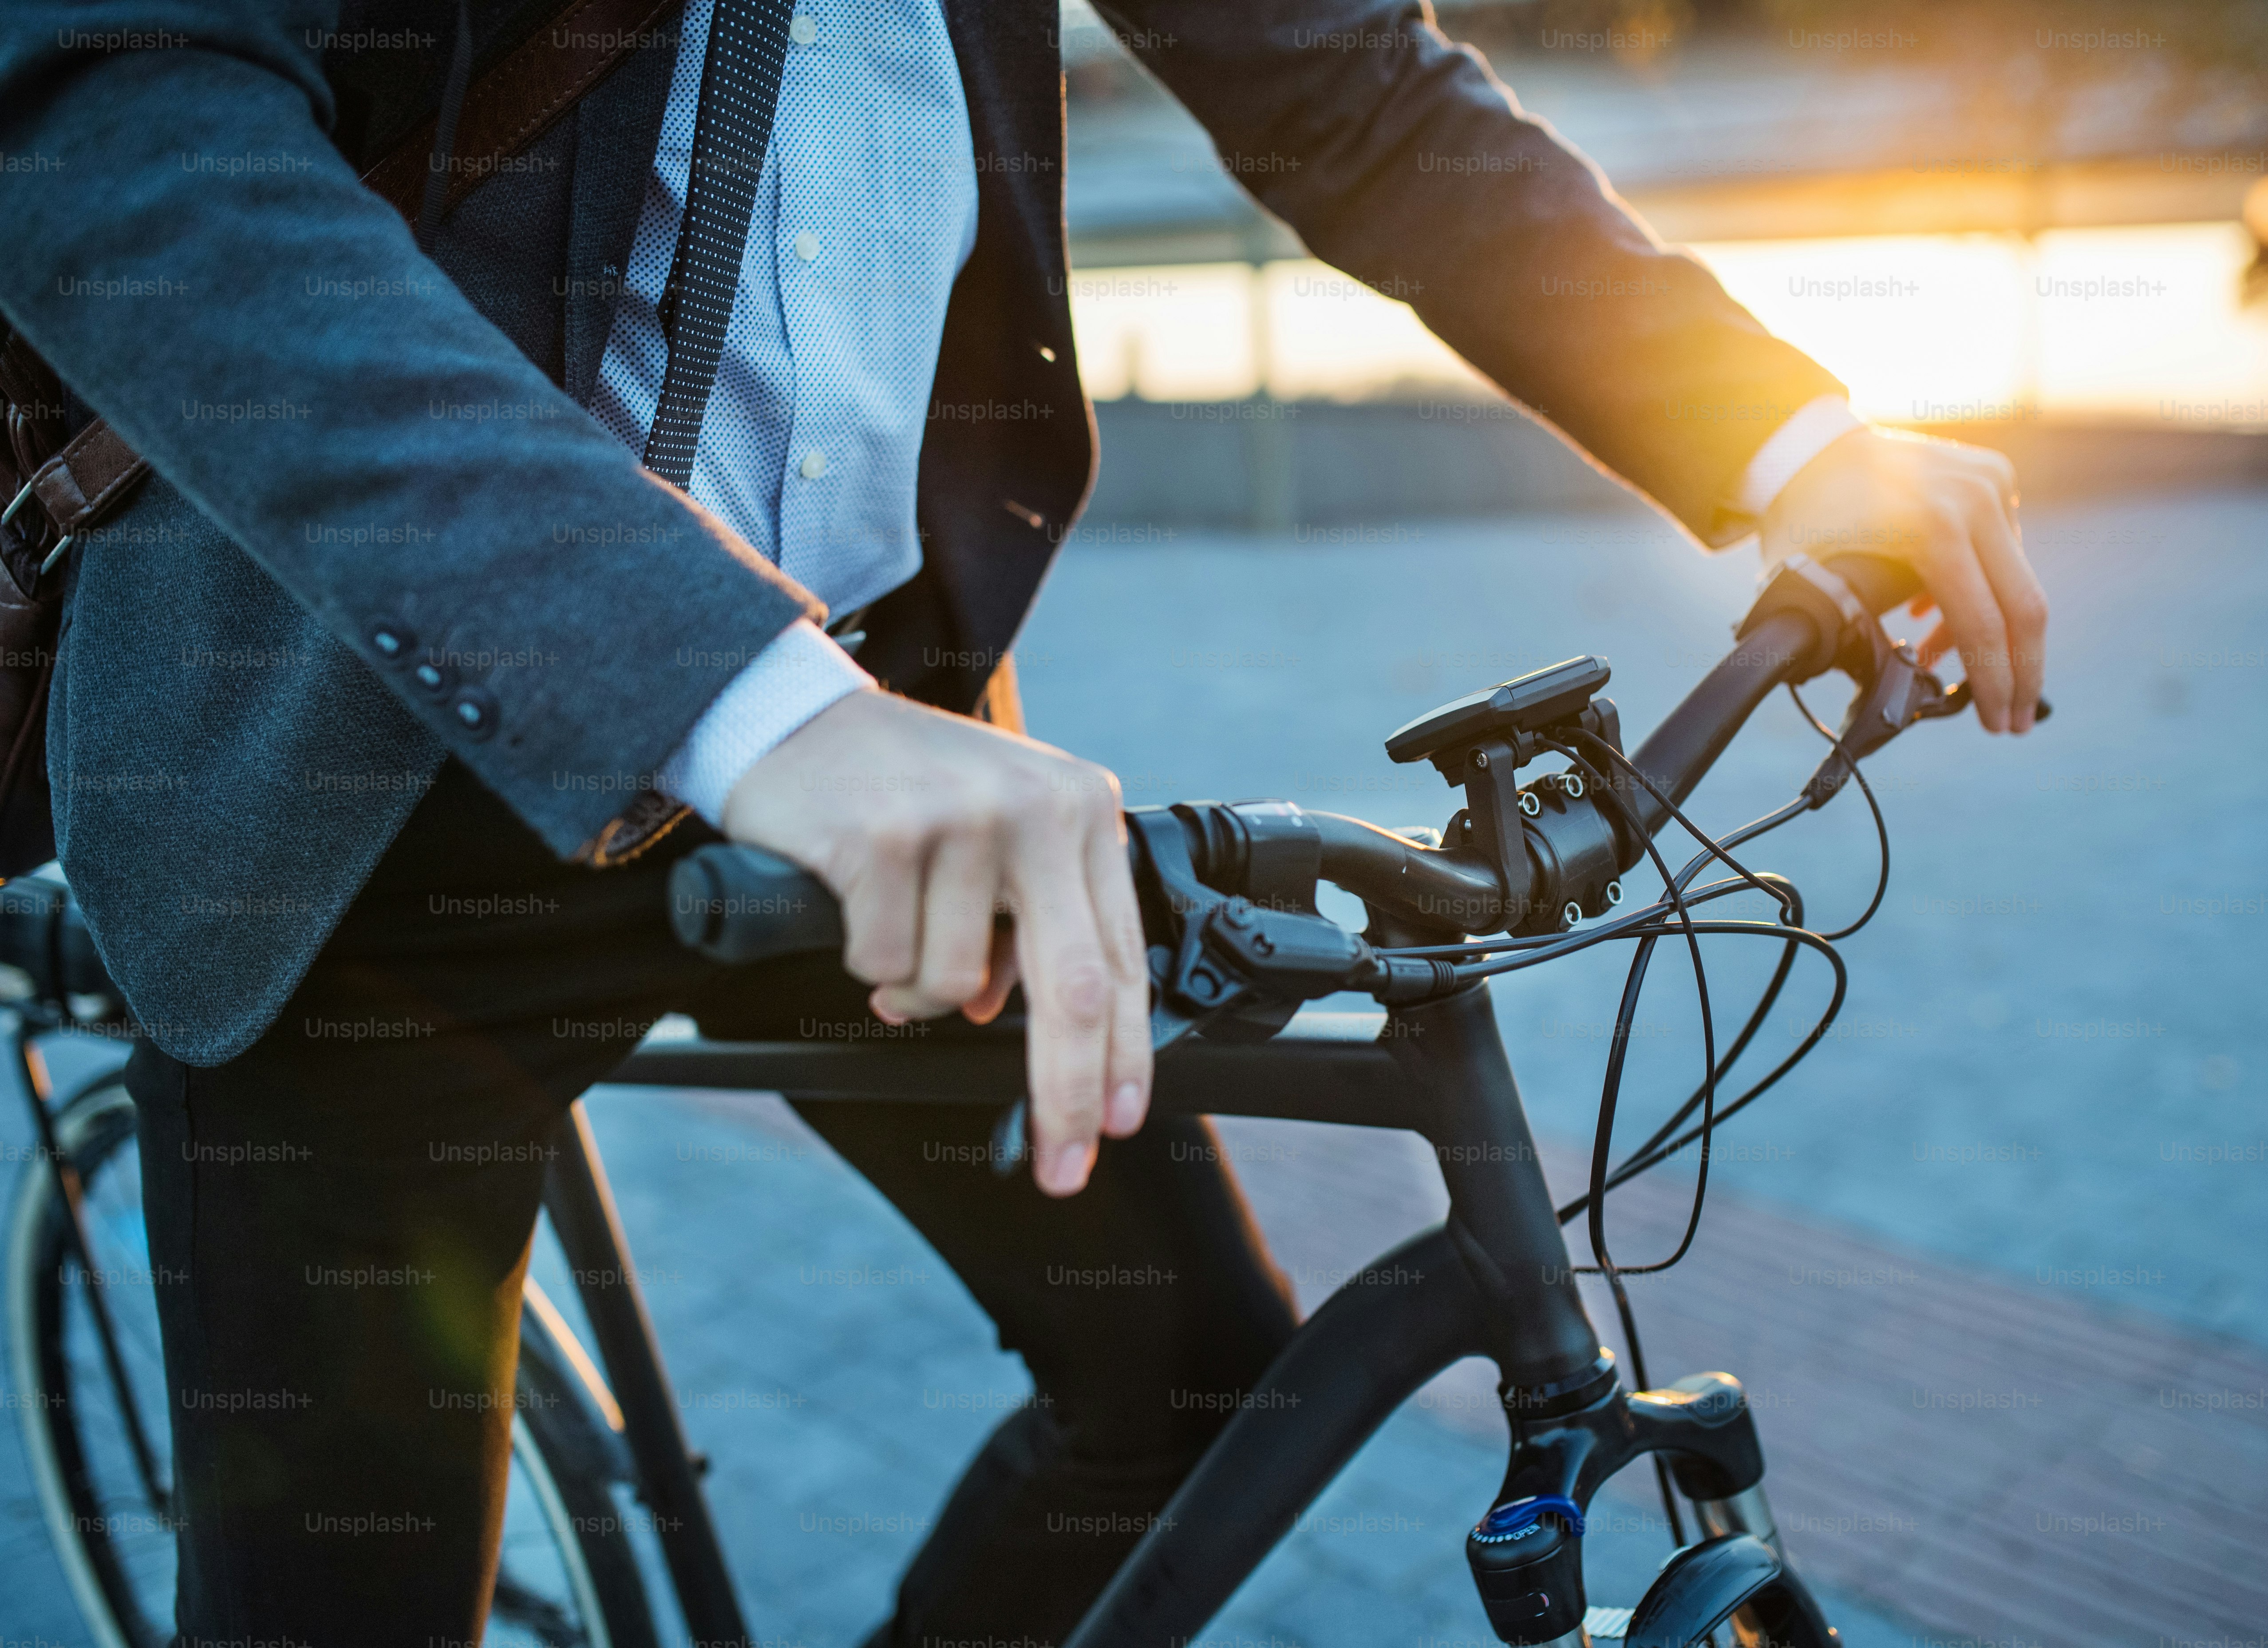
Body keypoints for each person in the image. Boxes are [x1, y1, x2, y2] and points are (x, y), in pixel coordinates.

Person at [0, 0, 2046, 1640]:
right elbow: (126, 137)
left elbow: (1349, 87)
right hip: (350, 797)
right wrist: (735, 696)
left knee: (1190, 1391)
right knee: (337, 1592)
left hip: (881, 760)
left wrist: (1790, 432)